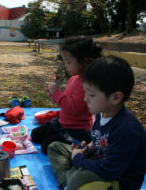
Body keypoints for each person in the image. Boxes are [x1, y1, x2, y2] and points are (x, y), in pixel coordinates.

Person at [48, 55, 146, 190]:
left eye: (91, 94)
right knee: (55, 147)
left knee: (78, 179)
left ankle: (71, 180)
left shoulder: (127, 130)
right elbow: (99, 139)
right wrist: (87, 148)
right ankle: (68, 183)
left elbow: (110, 170)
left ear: (115, 97)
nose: (85, 98)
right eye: (85, 92)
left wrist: (78, 160)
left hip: (117, 179)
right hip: (100, 159)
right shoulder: (102, 112)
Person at [31, 36, 102, 154]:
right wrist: (53, 94)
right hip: (63, 122)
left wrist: (57, 93)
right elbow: (65, 102)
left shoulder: (86, 84)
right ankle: (61, 136)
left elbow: (73, 108)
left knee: (46, 146)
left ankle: (77, 145)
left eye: (69, 62)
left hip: (76, 129)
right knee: (35, 134)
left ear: (84, 61)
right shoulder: (74, 79)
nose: (66, 65)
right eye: (65, 62)